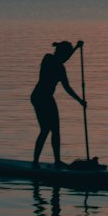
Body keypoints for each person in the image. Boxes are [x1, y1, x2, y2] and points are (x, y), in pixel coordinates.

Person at [31, 39, 86, 168]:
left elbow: (67, 87)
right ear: (60, 52)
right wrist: (76, 49)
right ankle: (35, 162)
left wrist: (79, 101)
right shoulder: (48, 59)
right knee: (45, 129)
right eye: (65, 53)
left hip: (48, 98)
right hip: (39, 97)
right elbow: (61, 59)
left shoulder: (61, 68)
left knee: (55, 130)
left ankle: (57, 161)